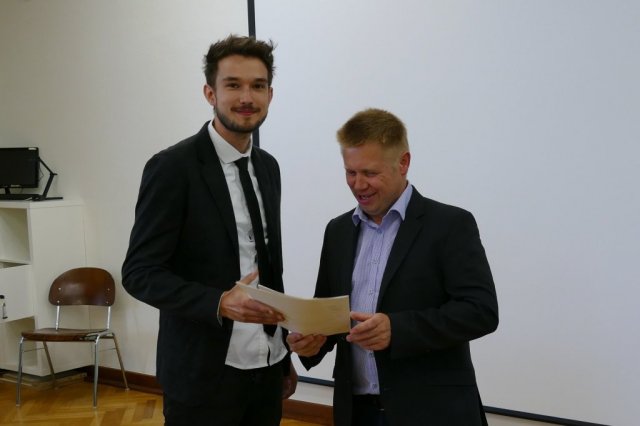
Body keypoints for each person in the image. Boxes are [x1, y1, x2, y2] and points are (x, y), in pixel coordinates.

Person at [122, 35, 297, 426]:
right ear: (210, 93)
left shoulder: (268, 167)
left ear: (270, 94)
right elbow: (139, 273)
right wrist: (218, 302)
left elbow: (269, 268)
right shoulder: (173, 168)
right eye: (233, 85)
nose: (246, 97)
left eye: (257, 86)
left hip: (266, 367)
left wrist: (282, 354)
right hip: (202, 373)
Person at [288, 108, 499, 426]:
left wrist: (397, 329)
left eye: (370, 173)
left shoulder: (450, 225)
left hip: (432, 414)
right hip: (356, 413)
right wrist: (311, 343)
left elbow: (481, 311)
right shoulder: (338, 231)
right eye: (350, 172)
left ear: (403, 163)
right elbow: (330, 314)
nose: (358, 184)